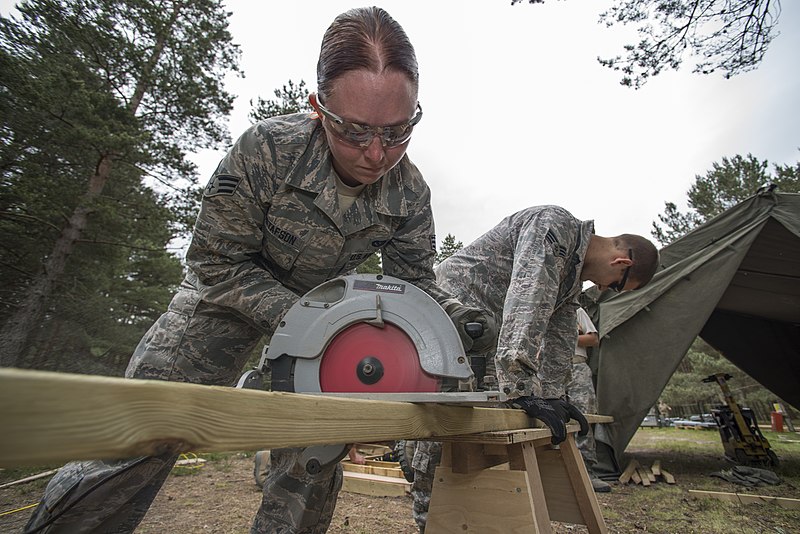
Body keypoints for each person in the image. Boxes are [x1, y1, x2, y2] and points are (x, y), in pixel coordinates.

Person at [25, 7, 495, 534]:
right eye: (356, 131)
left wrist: (457, 316)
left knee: (311, 460)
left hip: (325, 333)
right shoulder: (267, 151)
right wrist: (307, 317)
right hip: (221, 306)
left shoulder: (410, 191)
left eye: (398, 131)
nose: (377, 153)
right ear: (319, 108)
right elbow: (213, 262)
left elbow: (413, 283)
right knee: (138, 436)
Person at [410, 204, 659, 531]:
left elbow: (559, 331)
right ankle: (427, 520)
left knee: (482, 422)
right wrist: (520, 386)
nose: (604, 289)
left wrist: (554, 395)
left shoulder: (572, 274)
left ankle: (465, 516)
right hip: (455, 310)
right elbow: (529, 300)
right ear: (621, 262)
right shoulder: (554, 226)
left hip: (487, 327)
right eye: (615, 285)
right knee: (449, 414)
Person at [566, 307, 610, 492]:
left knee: (584, 417)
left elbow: (593, 338)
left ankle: (587, 471)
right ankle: (558, 471)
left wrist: (564, 338)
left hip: (576, 368)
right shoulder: (539, 308)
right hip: (548, 370)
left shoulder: (575, 310)